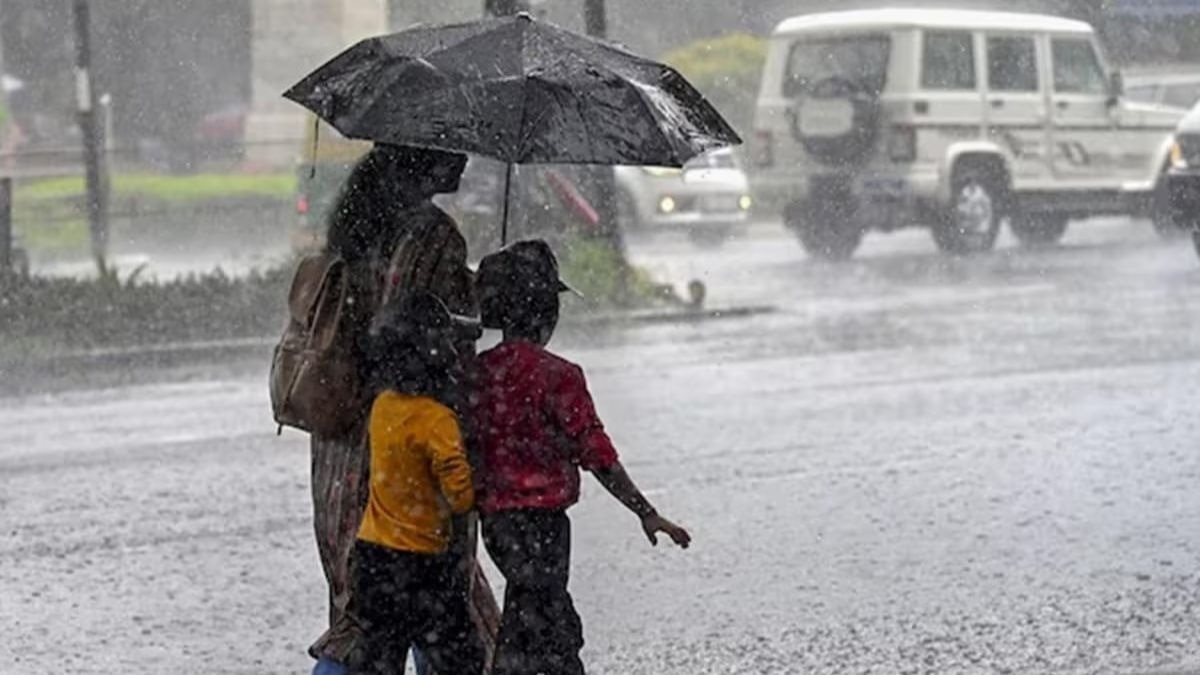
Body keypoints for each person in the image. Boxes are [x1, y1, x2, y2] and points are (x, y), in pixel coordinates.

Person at [308, 144, 499, 675]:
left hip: (344, 441)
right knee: (443, 599)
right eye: (452, 148)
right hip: (413, 441)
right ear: (424, 159)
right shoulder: (434, 236)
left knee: (362, 609)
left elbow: (377, 320)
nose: (464, 160)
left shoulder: (354, 224)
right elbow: (442, 339)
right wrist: (481, 298)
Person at [471, 240, 693, 675]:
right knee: (547, 623)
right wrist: (645, 512)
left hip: (494, 524)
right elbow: (596, 454)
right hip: (545, 526)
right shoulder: (559, 376)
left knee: (530, 610)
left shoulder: (478, 373)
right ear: (546, 314)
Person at [346, 291, 485, 675]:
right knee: (458, 657)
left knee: (379, 655)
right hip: (423, 565)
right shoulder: (437, 419)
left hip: (373, 557)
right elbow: (460, 498)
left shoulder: (382, 406)